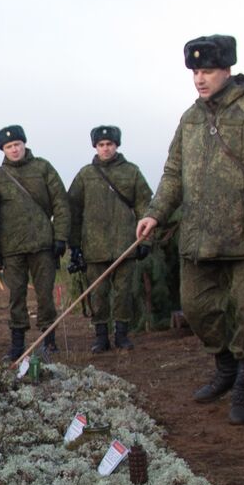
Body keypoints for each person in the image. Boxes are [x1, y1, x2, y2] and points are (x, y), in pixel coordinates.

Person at [137, 35, 244, 425]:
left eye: (206, 71)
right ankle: (225, 366)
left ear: (227, 70)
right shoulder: (190, 118)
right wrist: (155, 213)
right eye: (194, 72)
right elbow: (174, 172)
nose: (199, 79)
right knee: (196, 307)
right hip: (199, 236)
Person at [67, 125, 153, 352]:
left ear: (117, 145)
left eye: (110, 144)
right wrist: (74, 245)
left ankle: (122, 335)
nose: (105, 149)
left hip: (126, 244)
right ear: (95, 146)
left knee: (124, 293)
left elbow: (146, 205)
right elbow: (73, 211)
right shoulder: (85, 175)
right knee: (98, 294)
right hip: (94, 247)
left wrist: (145, 240)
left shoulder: (131, 172)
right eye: (101, 145)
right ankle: (101, 336)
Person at [0, 125, 69, 361]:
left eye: (17, 145)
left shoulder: (43, 167)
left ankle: (49, 339)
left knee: (45, 294)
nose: (14, 150)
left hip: (43, 245)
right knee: (16, 296)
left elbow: (61, 204)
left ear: (24, 144)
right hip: (12, 249)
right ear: (3, 149)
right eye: (9, 146)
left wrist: (60, 237)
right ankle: (17, 343)